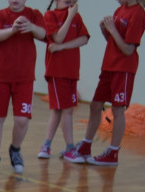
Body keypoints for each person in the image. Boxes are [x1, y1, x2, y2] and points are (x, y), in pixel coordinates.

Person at [64, 0, 145, 167]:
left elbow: (128, 49)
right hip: (109, 65)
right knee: (95, 105)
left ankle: (113, 152)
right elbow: (113, 40)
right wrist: (105, 31)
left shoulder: (138, 14)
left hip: (123, 68)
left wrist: (113, 29)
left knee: (117, 109)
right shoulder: (119, 10)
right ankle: (86, 145)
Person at [0, 0, 47, 175]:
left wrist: (31, 26)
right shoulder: (0, 15)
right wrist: (13, 29)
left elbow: (45, 34)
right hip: (0, 75)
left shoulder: (34, 14)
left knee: (22, 120)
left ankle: (15, 150)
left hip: (24, 77)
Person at [37, 0, 89, 160]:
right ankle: (69, 148)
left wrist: (62, 47)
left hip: (72, 72)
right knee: (66, 110)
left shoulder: (77, 17)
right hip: (57, 71)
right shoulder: (50, 15)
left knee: (59, 110)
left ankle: (46, 145)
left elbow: (84, 39)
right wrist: (70, 16)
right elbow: (58, 38)